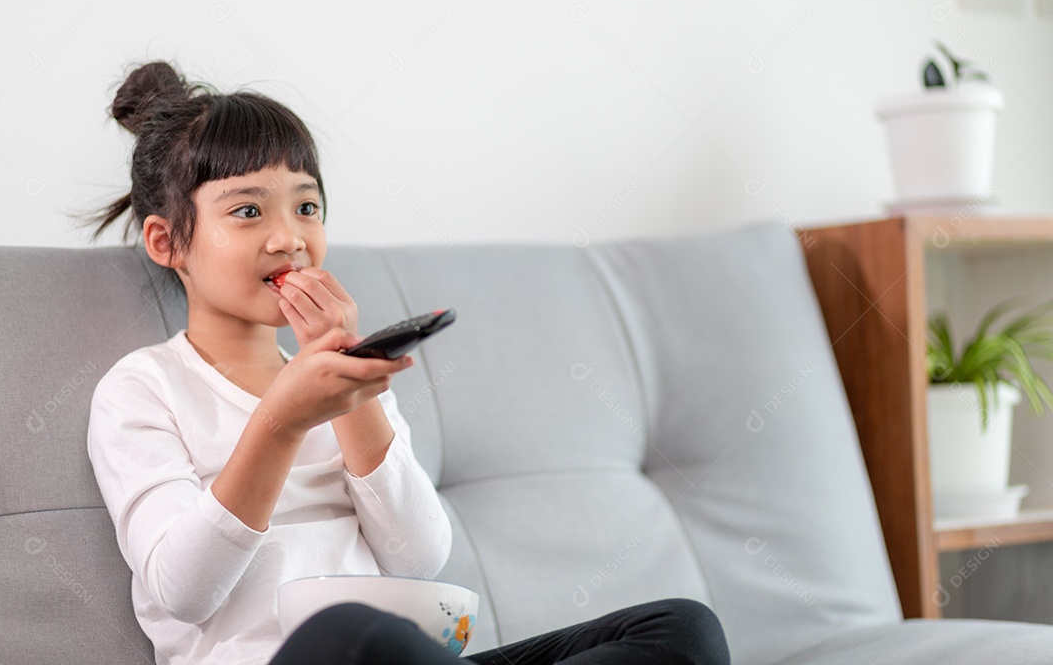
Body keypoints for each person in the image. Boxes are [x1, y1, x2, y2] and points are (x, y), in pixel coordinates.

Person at [87, 61, 731, 665]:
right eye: (249, 211)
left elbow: (420, 558)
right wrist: (281, 422)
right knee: (348, 629)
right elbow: (182, 590)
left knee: (680, 628)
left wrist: (354, 393)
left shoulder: (343, 377)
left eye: (306, 207)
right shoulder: (143, 389)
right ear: (167, 242)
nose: (290, 238)